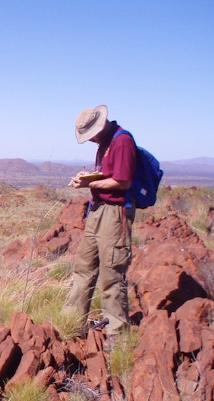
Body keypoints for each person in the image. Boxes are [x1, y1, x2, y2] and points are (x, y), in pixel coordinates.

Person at [64, 105, 137, 337]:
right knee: (84, 268)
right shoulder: (104, 143)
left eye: (90, 135)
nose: (90, 140)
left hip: (115, 214)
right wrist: (89, 180)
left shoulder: (122, 141)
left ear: (100, 126)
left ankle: (117, 334)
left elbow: (123, 182)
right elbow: (107, 175)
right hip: (97, 210)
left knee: (112, 274)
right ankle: (72, 324)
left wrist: (89, 184)